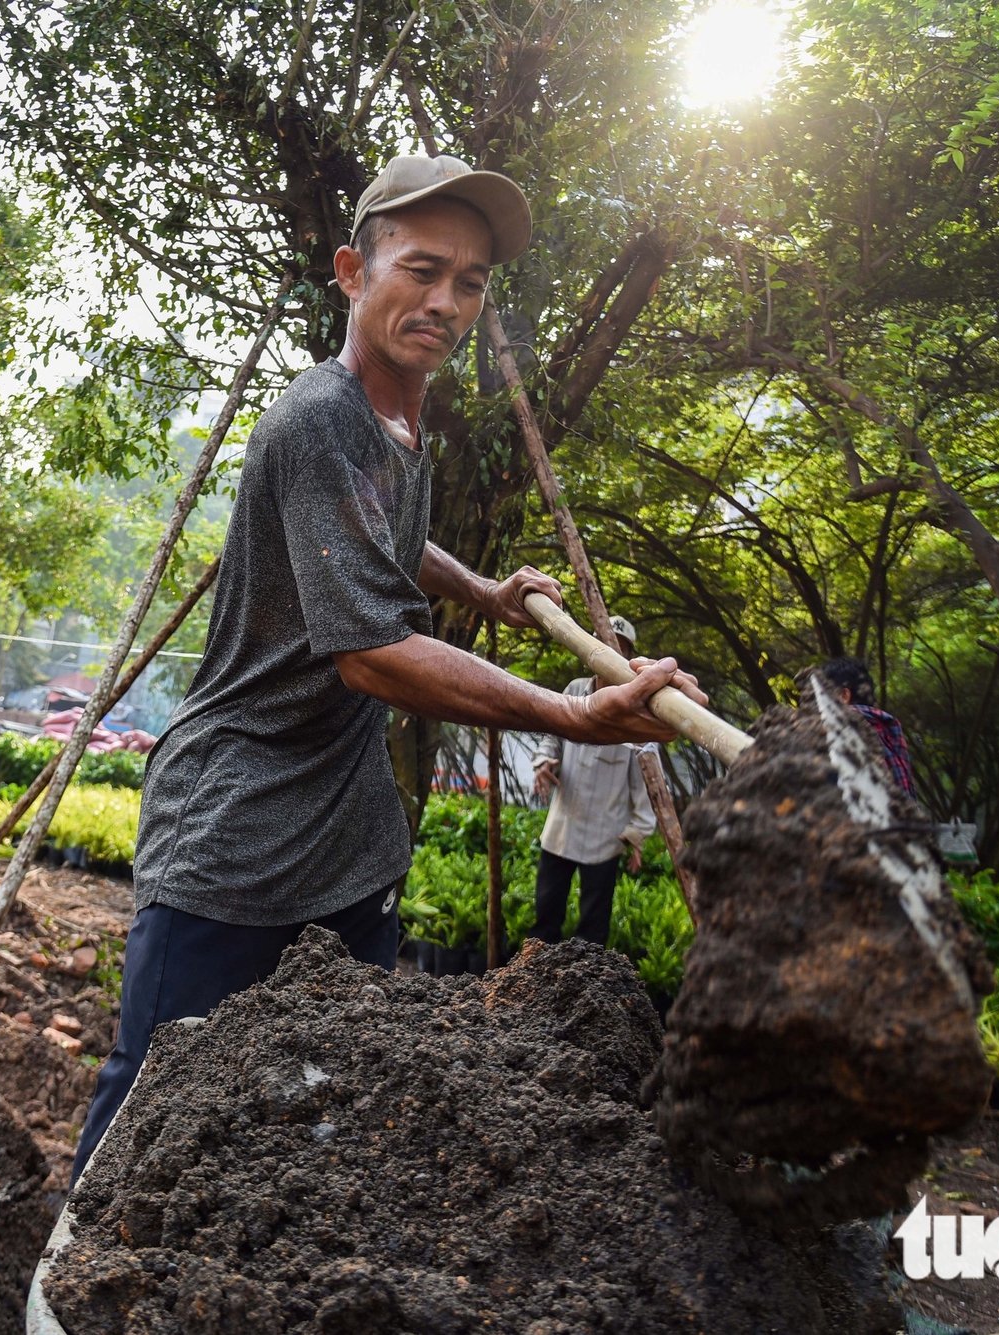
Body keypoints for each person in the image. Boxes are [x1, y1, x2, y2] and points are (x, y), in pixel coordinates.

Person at [70, 153, 708, 1183]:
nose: (444, 302)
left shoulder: (398, 422)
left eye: (469, 282)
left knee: (324, 1099)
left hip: (342, 832)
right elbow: (368, 655)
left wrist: (483, 593)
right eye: (419, 269)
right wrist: (573, 714)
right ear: (350, 273)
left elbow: (385, 539)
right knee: (154, 1104)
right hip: (237, 833)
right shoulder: (321, 416)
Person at [530, 615, 658, 949]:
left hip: (605, 836)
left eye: (620, 650)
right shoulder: (575, 690)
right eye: (604, 647)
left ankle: (584, 993)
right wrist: (543, 763)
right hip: (562, 829)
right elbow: (551, 738)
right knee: (546, 914)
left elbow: (645, 779)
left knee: (593, 928)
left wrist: (637, 834)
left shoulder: (637, 714)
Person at [814, 656, 917, 799]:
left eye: (820, 695)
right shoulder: (887, 726)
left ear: (844, 695)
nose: (816, 705)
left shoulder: (843, 726)